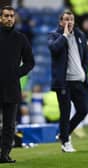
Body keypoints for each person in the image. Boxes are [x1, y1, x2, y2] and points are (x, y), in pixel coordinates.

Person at [48, 10, 88, 152]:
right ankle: (65, 143)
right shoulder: (54, 35)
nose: (69, 22)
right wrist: (64, 36)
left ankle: (63, 134)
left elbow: (86, 56)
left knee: (83, 110)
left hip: (79, 81)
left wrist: (83, 72)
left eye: (71, 19)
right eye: (66, 19)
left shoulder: (80, 35)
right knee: (65, 113)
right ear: (61, 22)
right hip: (64, 82)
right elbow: (54, 49)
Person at [0, 6, 34, 163]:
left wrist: (17, 73)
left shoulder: (21, 38)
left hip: (12, 88)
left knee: (9, 125)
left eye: (11, 16)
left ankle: (4, 155)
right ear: (0, 18)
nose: (9, 18)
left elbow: (30, 62)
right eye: (6, 16)